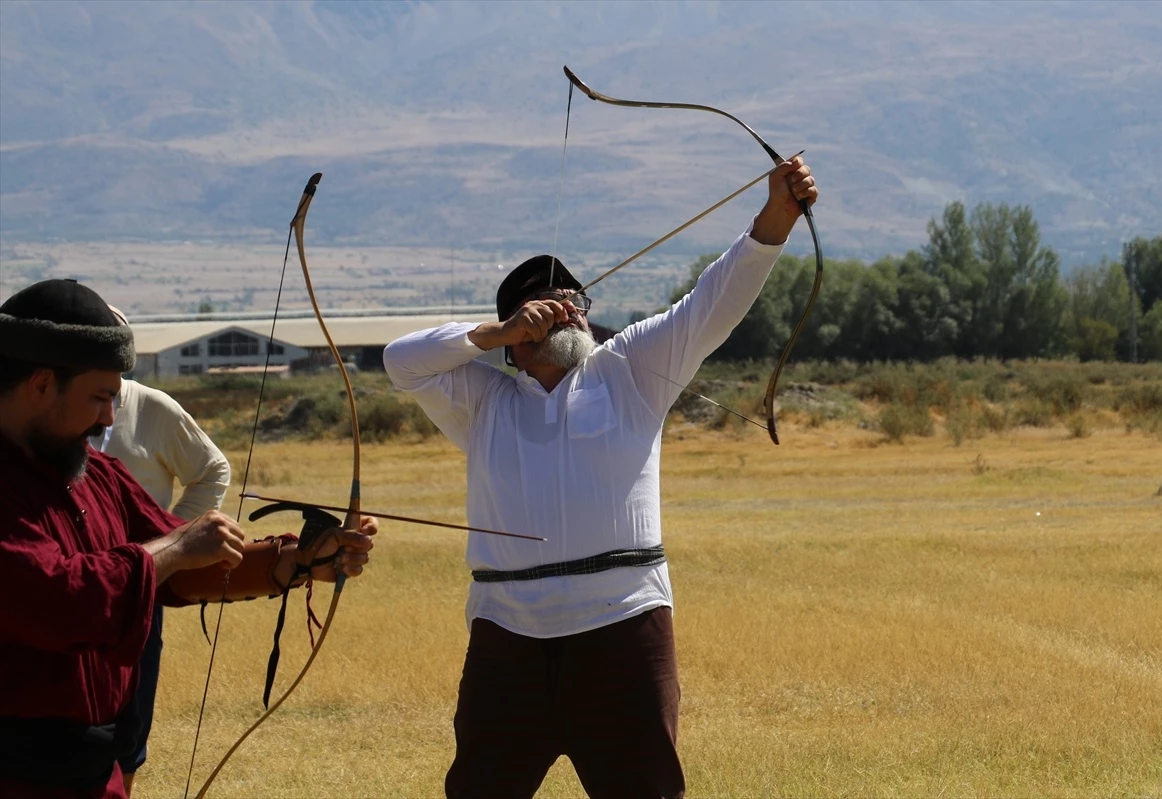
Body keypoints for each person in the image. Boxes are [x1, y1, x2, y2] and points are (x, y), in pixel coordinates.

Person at [383, 156, 817, 798]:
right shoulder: (484, 401)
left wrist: (775, 217)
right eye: (547, 308)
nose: (569, 313)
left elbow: (712, 304)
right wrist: (491, 332)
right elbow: (401, 362)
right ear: (515, 340)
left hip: (622, 630)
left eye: (575, 303)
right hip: (508, 637)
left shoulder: (629, 368)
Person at [0, 279, 377, 799]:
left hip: (92, 770)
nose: (109, 418)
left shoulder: (100, 475)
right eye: (100, 397)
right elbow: (61, 599)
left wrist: (304, 558)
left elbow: (184, 570)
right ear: (41, 384)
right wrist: (173, 550)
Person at [87, 307, 233, 797]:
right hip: (66, 583)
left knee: (129, 726)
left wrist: (172, 541)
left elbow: (211, 470)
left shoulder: (152, 407)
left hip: (140, 584)